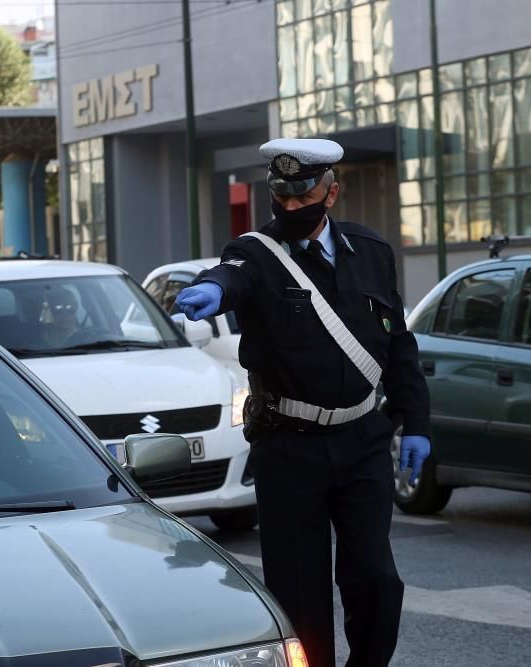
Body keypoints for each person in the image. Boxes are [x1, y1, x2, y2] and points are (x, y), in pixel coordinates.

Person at [175, 138, 431, 667]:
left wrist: (418, 423)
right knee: (300, 597)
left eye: (302, 197)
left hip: (361, 440)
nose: (290, 208)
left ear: (331, 193)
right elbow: (232, 274)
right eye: (281, 198)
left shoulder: (372, 253)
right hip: (288, 448)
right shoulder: (256, 253)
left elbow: (398, 343)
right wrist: (214, 292)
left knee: (377, 581)